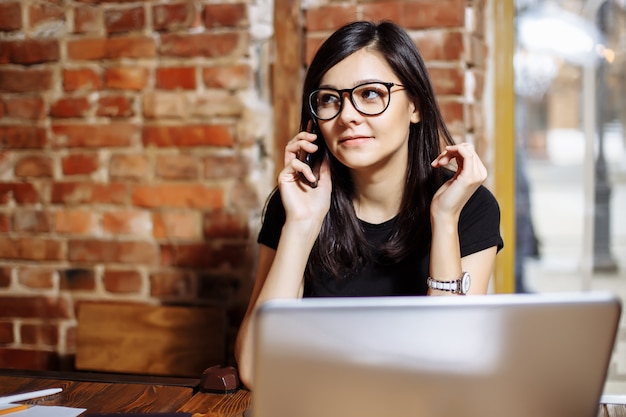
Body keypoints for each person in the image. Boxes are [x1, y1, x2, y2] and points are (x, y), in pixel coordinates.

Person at [235, 20, 504, 389]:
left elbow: (449, 364)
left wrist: (444, 220)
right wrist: (301, 224)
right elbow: (254, 369)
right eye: (330, 99)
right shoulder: (296, 204)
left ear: (416, 107)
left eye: (371, 94)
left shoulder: (470, 207)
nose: (347, 115)